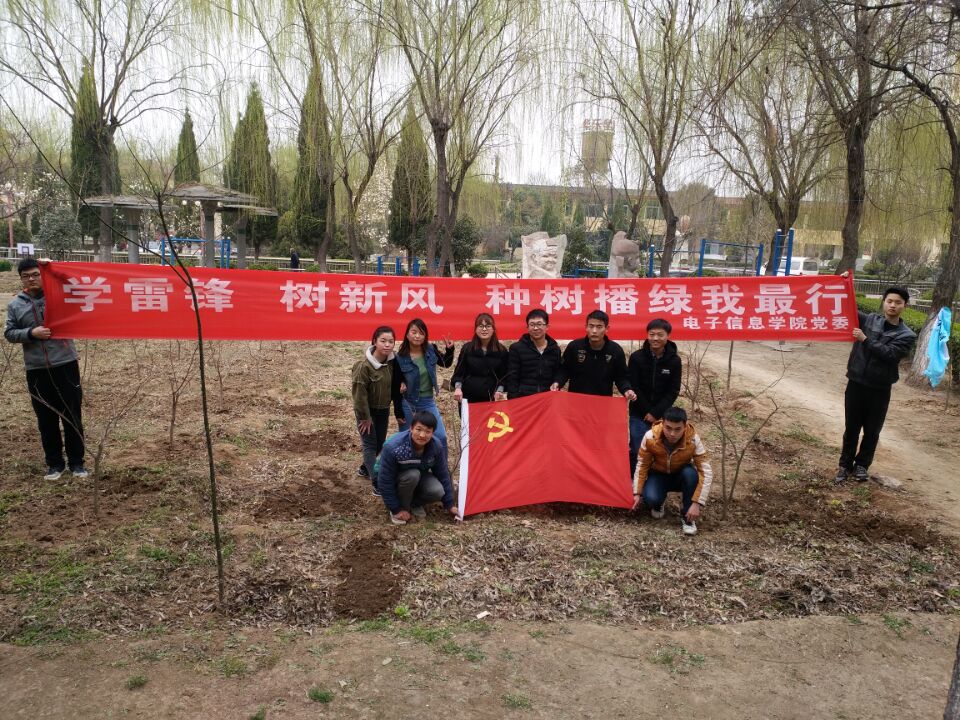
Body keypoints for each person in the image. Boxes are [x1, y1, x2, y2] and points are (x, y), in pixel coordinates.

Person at [4, 258, 87, 480]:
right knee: (46, 419)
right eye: (26, 276)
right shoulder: (16, 305)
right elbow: (9, 333)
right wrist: (31, 333)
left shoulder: (60, 296)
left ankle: (77, 463)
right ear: (21, 279)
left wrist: (55, 270)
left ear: (42, 275)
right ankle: (55, 464)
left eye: (35, 274)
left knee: (72, 415)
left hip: (66, 364)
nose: (31, 279)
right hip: (36, 369)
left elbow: (79, 287)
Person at [835, 285, 916, 483]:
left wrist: (865, 339)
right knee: (851, 428)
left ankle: (862, 466)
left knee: (872, 430)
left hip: (880, 388)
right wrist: (843, 284)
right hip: (856, 383)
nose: (893, 305)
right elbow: (846, 307)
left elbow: (890, 355)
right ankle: (844, 465)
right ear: (884, 302)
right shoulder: (869, 320)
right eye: (890, 301)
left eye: (898, 302)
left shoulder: (907, 335)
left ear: (904, 306)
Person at [632, 406, 712, 536]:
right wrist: (637, 492)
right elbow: (642, 465)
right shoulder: (650, 436)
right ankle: (659, 501)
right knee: (651, 499)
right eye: (668, 428)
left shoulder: (693, 439)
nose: (672, 434)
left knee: (691, 474)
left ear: (685, 426)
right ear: (662, 424)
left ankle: (687, 518)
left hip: (681, 475)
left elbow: (706, 471)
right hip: (658, 474)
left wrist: (697, 503)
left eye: (677, 429)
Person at [376, 410, 458, 525]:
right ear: (411, 428)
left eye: (428, 431)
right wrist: (395, 508)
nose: (422, 435)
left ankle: (413, 504)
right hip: (398, 479)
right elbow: (385, 480)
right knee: (413, 475)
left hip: (420, 475)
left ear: (433, 433)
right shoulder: (394, 447)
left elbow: (443, 474)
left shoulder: (436, 446)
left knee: (437, 490)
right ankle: (402, 508)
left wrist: (449, 504)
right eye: (418, 429)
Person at [351, 326, 406, 495]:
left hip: (383, 409)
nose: (387, 345)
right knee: (370, 444)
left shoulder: (393, 362)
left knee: (380, 443)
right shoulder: (363, 366)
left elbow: (399, 379)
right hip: (367, 412)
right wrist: (364, 417)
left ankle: (365, 467)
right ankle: (377, 481)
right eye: (383, 341)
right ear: (374, 341)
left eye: (391, 341)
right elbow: (359, 396)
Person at [627, 318, 682, 478]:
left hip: (663, 416)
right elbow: (634, 385)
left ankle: (652, 482)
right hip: (638, 413)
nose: (655, 338)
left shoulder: (674, 361)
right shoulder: (636, 357)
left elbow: (673, 390)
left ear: (668, 336)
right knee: (637, 448)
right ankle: (633, 482)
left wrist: (656, 413)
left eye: (660, 335)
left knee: (659, 451)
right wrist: (647, 411)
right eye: (652, 334)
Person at [394, 318, 454, 450]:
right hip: (407, 402)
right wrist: (398, 411)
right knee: (407, 439)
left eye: (421, 333)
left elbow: (445, 363)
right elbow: (395, 386)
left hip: (427, 401)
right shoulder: (400, 357)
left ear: (425, 336)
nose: (417, 336)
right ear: (407, 335)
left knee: (440, 436)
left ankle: (440, 463)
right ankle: (409, 463)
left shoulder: (431, 349)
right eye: (414, 332)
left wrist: (450, 350)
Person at [552, 310, 637, 402]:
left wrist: (627, 389)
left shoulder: (615, 350)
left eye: (599, 327)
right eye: (591, 326)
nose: (594, 331)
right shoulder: (574, 346)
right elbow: (564, 370)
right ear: (586, 327)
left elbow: (621, 377)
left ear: (607, 328)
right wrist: (557, 382)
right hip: (576, 401)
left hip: (602, 402)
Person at [451, 313, 509, 408]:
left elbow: (504, 376)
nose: (484, 329)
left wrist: (500, 390)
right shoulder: (467, 348)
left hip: (492, 398)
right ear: (476, 329)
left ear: (493, 329)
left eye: (488, 326)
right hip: (468, 397)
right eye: (481, 326)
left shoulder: (501, 351)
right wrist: (458, 388)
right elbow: (459, 373)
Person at [506, 308, 562, 398]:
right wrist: (513, 400)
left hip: (547, 398)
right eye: (532, 325)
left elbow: (558, 372)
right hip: (523, 399)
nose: (535, 328)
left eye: (539, 324)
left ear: (547, 327)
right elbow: (512, 378)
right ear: (527, 328)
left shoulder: (555, 349)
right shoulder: (516, 349)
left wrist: (557, 382)